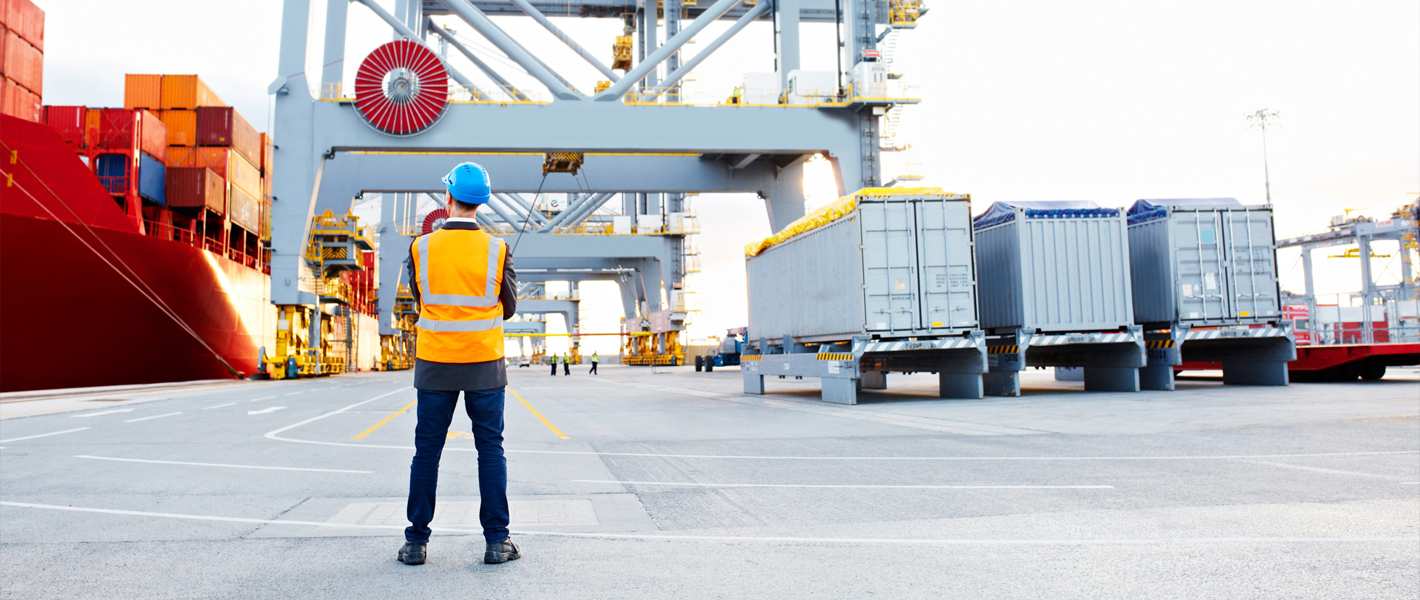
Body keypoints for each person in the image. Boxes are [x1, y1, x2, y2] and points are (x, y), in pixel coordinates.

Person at [398, 162, 521, 567]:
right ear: (482, 204)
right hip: (485, 363)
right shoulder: (498, 250)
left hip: (435, 362)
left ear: (447, 198)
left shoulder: (420, 247)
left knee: (426, 453)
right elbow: (509, 308)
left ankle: (416, 543)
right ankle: (497, 542)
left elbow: (419, 299)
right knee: (490, 451)